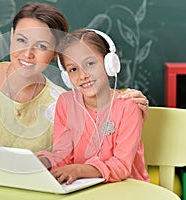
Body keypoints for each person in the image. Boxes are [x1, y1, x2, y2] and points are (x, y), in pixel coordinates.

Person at [0, 2, 149, 172]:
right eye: (21, 40)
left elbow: (92, 151)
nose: (28, 54)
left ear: (54, 55)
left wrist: (132, 106)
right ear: (11, 37)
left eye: (41, 46)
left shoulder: (63, 102)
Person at [37, 29, 150, 184]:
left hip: (127, 188)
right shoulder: (66, 103)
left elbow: (121, 166)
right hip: (85, 187)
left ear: (109, 63)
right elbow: (63, 156)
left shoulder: (128, 105)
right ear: (66, 77)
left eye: (90, 63)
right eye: (73, 69)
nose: (83, 75)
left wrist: (78, 170)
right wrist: (42, 163)